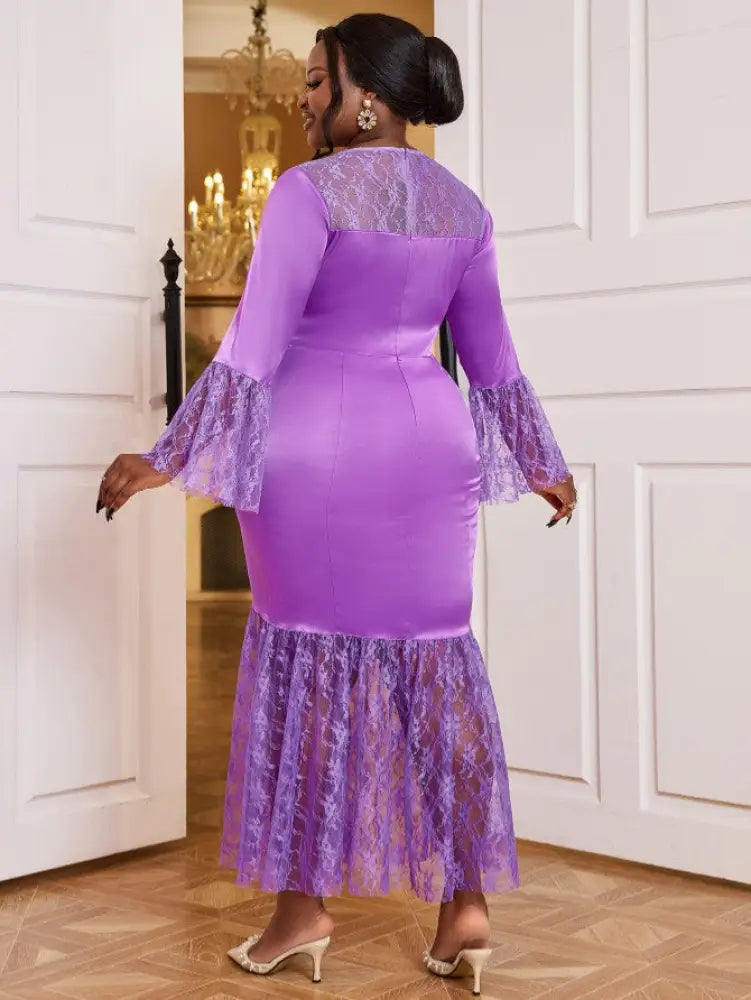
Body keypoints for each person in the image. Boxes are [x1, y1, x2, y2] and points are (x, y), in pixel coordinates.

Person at [96, 13, 576, 996]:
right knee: (438, 670)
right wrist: (538, 460)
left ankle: (302, 911)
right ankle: (465, 912)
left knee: (309, 668)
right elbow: (490, 359)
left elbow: (254, 345)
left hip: (316, 452)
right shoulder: (463, 207)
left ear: (367, 96)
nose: (304, 97)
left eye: (317, 80)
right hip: (429, 446)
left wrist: (165, 454)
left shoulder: (307, 192)